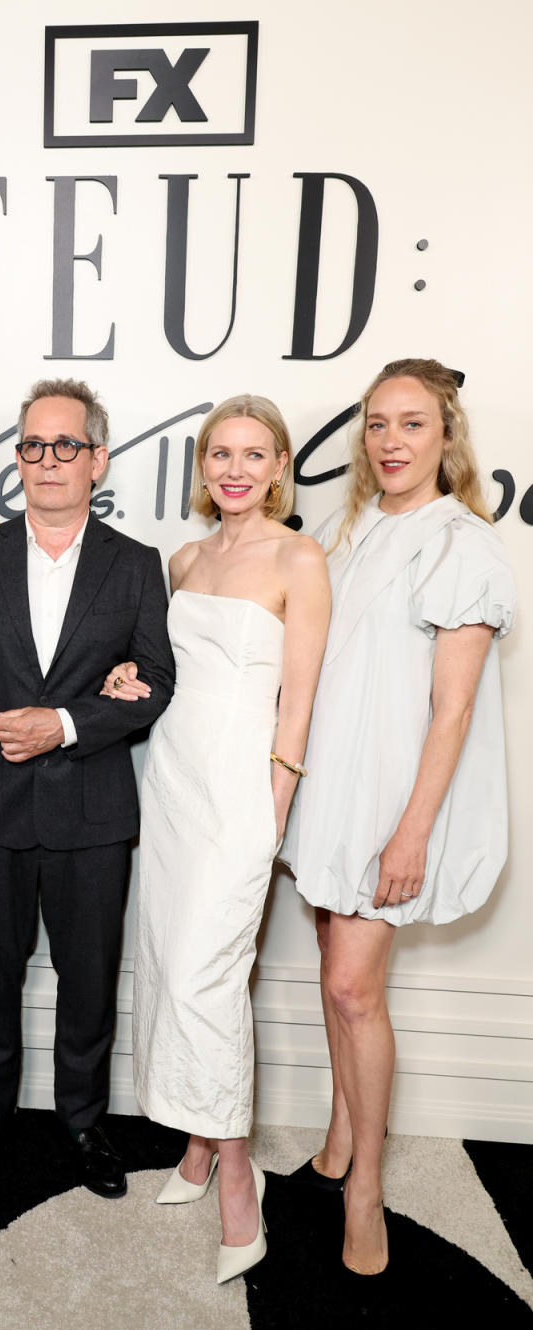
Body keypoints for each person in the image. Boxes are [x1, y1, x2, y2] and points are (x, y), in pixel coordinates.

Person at [281, 358, 516, 1275]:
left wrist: (412, 830)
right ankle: (341, 1130)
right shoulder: (357, 529)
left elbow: (453, 709)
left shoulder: (462, 543)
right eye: (377, 424)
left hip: (392, 799)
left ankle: (366, 1188)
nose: (390, 442)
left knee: (352, 988)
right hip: (330, 787)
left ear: (447, 438)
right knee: (333, 969)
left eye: (412, 425)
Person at [0, 377, 175, 1198]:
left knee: (89, 982)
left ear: (97, 459)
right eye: (33, 445)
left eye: (66, 445)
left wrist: (64, 724)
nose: (47, 460)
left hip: (93, 814)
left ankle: (82, 1120)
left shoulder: (137, 567)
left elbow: (158, 684)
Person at [101, 395, 330, 1280]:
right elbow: (170, 676)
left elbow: (299, 698)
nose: (235, 468)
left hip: (242, 789)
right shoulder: (185, 556)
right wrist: (128, 672)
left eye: (253, 453)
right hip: (170, 780)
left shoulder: (299, 557)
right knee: (166, 961)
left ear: (279, 466)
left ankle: (238, 1174)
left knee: (209, 976)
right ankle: (196, 1145)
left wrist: (273, 807)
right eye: (219, 454)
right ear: (203, 468)